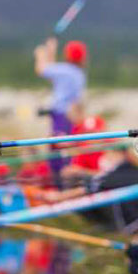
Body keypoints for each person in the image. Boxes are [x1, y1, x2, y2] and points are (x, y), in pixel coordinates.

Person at [34, 37, 87, 182]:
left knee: (57, 151)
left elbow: (42, 70)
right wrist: (51, 50)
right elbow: (53, 74)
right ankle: (64, 182)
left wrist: (40, 54)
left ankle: (58, 183)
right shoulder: (78, 74)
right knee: (65, 151)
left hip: (60, 116)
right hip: (68, 117)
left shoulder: (65, 70)